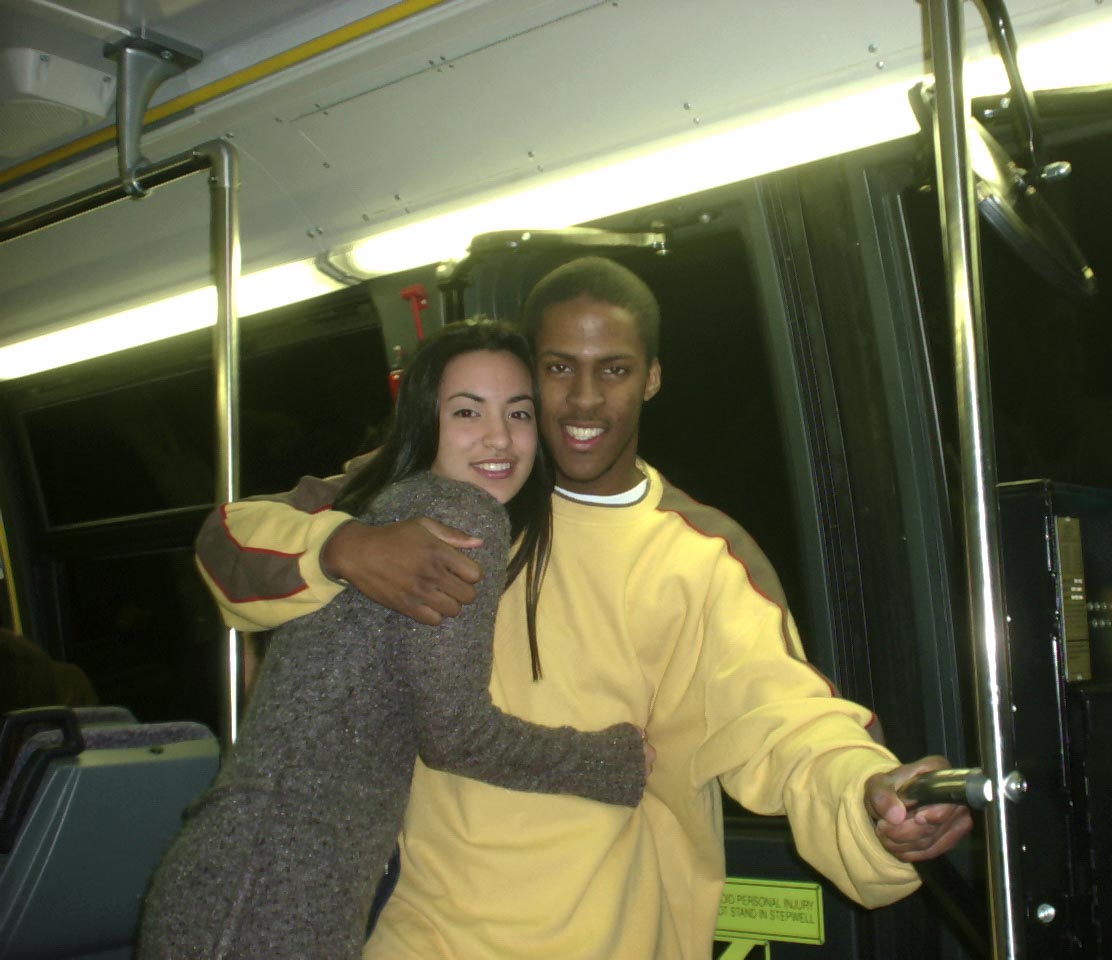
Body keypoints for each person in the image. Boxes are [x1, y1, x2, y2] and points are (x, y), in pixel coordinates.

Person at [194, 258, 972, 958]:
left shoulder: (698, 556)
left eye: (615, 370)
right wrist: (343, 549)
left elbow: (788, 723)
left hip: (607, 934)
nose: (585, 399)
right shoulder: (437, 486)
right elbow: (229, 541)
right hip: (414, 933)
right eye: (559, 368)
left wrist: (871, 800)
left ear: (652, 378)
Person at [138, 319, 649, 960]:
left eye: (519, 413)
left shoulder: (387, 500)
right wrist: (616, 761)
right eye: (467, 412)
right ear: (425, 421)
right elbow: (457, 735)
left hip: (245, 869)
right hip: (271, 890)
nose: (499, 437)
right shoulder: (460, 515)